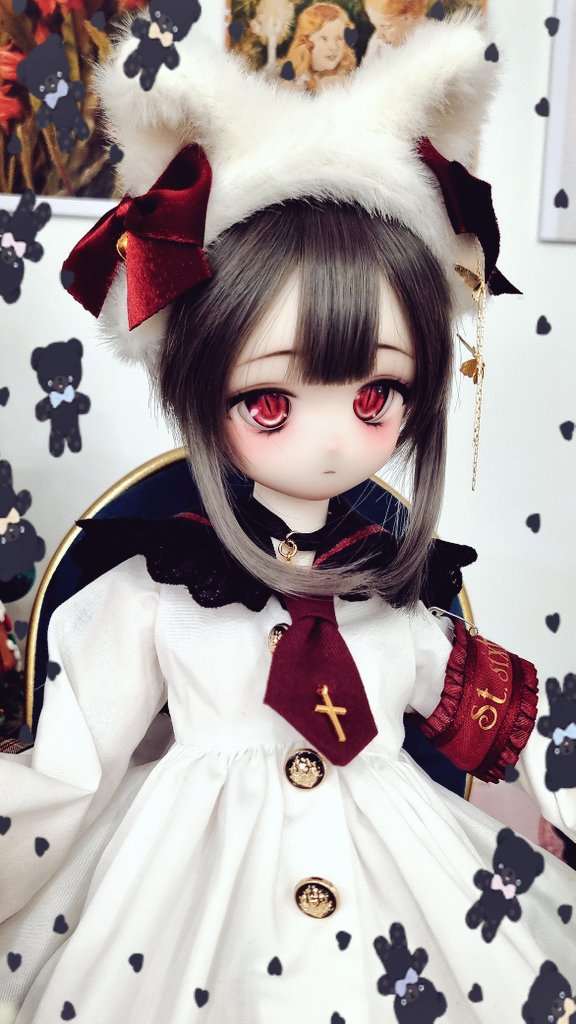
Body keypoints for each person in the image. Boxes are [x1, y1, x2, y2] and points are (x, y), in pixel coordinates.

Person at [1, 12, 576, 1024]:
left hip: (400, 882)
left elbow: (517, 720)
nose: (331, 441)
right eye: (271, 401)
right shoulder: (158, 586)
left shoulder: (394, 592)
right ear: (200, 387)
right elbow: (68, 771)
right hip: (190, 905)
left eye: (376, 396)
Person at [281, 2, 356, 91]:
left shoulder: (343, 82)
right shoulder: (293, 83)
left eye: (339, 38)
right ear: (305, 41)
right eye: (324, 39)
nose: (333, 47)